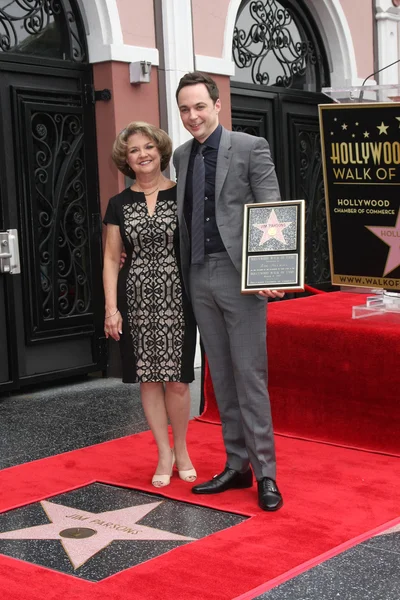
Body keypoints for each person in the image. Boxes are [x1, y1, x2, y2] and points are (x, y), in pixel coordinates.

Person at [173, 72, 284, 511]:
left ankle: (267, 474)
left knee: (249, 377)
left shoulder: (249, 147)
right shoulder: (181, 156)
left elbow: (271, 210)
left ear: (217, 105)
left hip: (242, 278)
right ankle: (237, 466)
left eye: (199, 106)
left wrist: (271, 271)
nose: (192, 116)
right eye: (184, 109)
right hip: (198, 275)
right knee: (220, 378)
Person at [103, 121, 197, 488]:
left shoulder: (182, 195)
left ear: (160, 151)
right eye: (133, 150)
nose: (142, 155)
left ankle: (183, 450)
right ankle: (163, 452)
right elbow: (111, 259)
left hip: (179, 298)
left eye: (148, 147)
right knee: (148, 380)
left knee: (176, 380)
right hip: (136, 301)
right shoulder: (118, 204)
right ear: (125, 160)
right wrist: (112, 309)